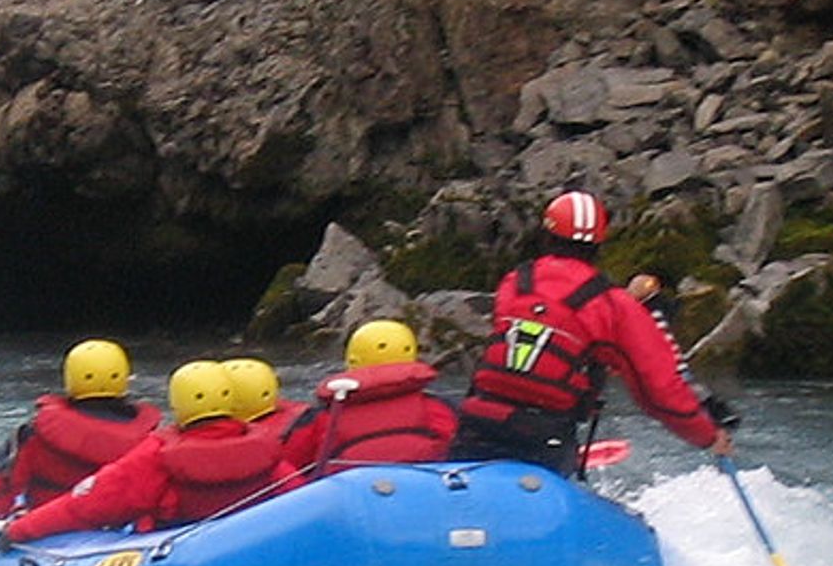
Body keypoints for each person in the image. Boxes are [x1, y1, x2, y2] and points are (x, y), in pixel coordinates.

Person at [450, 190, 737, 476]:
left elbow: (556, 323)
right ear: (599, 243)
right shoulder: (614, 306)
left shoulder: (515, 283)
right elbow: (659, 391)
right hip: (543, 441)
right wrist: (709, 435)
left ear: (547, 235)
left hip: (476, 424)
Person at [2, 357, 294, 541]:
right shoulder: (267, 449)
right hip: (246, 544)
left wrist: (19, 530)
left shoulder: (157, 453)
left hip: (173, 551)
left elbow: (88, 505)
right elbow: (299, 495)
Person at [0, 338, 163, 518]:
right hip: (120, 531)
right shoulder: (150, 440)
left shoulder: (34, 434)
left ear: (70, 377)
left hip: (45, 526)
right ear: (123, 378)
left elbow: (0, 490)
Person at [280, 317, 460, 473]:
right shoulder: (439, 408)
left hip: (350, 503)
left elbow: (288, 470)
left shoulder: (322, 418)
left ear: (352, 360)